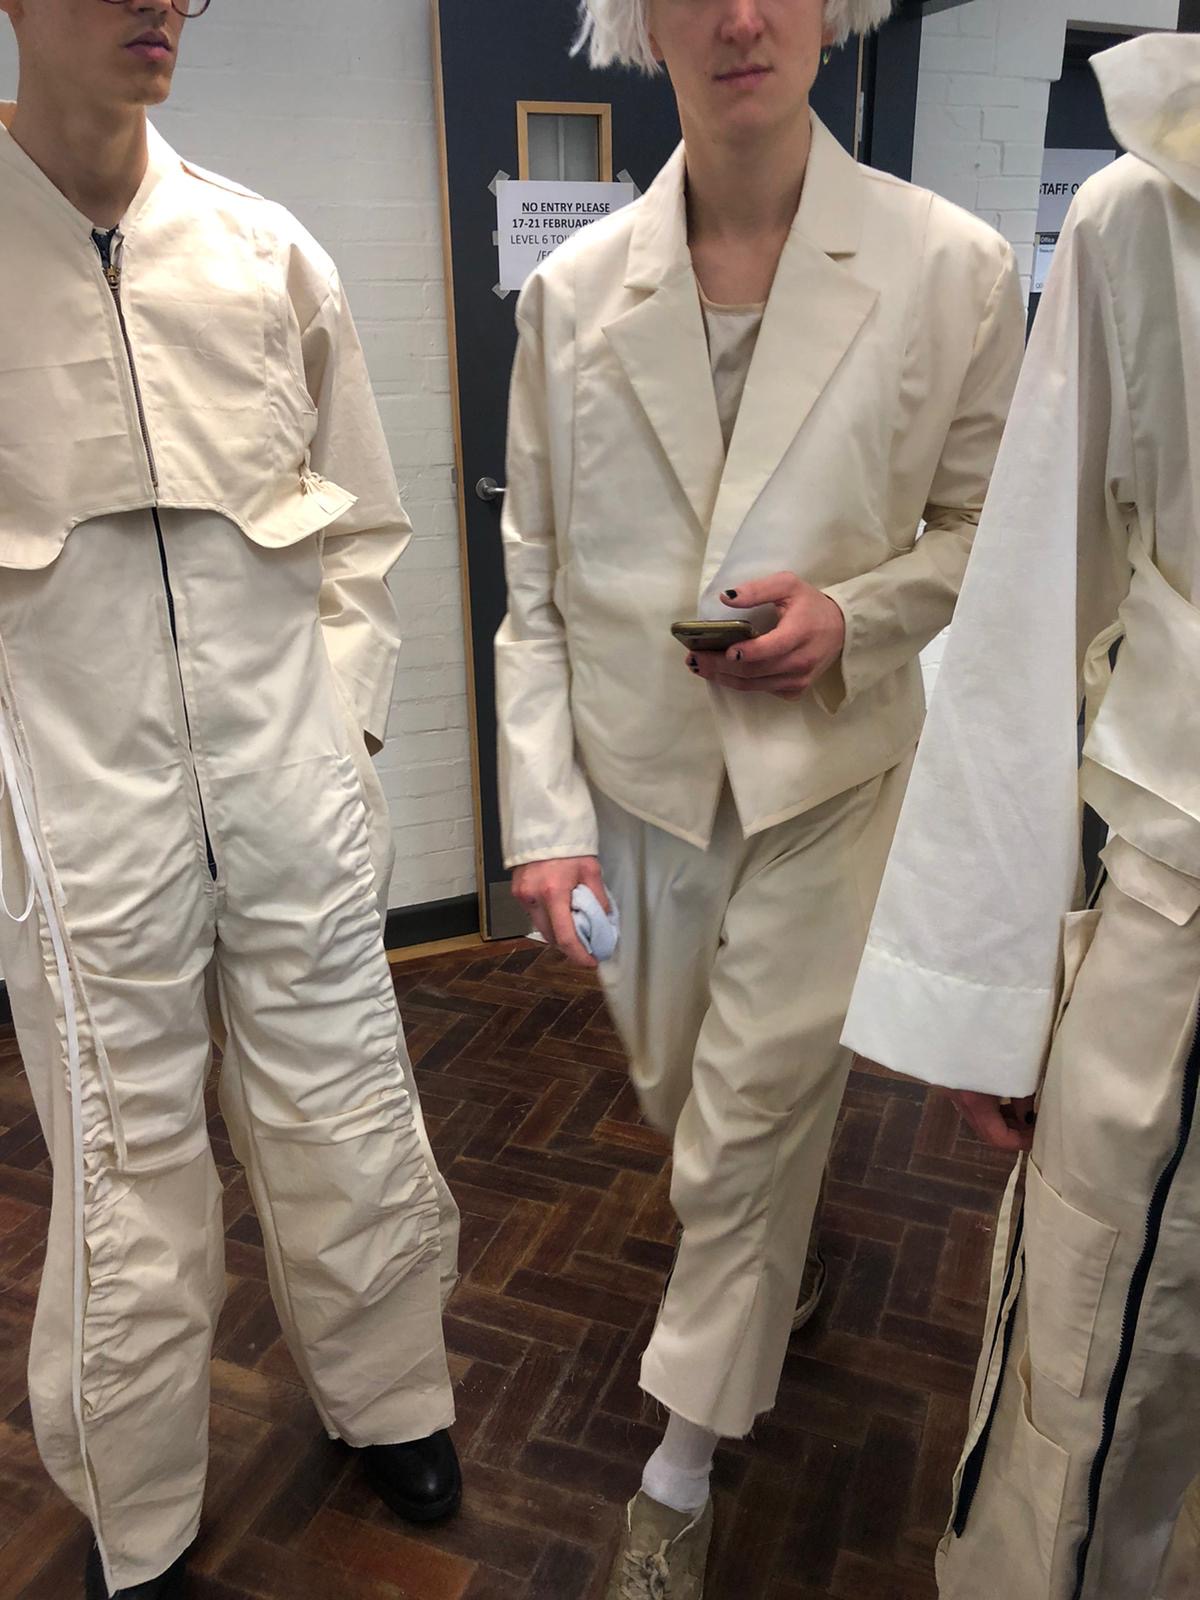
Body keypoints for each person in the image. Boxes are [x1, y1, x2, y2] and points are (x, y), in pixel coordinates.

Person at [494, 0, 1025, 1591]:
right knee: (688, 1110)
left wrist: (856, 615)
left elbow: (987, 531)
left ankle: (674, 1473)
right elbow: (534, 581)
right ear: (640, 23)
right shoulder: (576, 295)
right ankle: (765, 1259)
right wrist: (545, 819)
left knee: (741, 1134)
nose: (741, 16)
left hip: (830, 783)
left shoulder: (950, 269)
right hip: (640, 792)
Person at [0, 1, 463, 1595]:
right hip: (76, 820)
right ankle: (139, 1517)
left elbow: (364, 530)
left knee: (348, 1109)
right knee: (124, 1166)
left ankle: (394, 1398)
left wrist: (341, 734)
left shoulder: (270, 259)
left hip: (288, 795)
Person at [842, 31, 1200, 1600]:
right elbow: (1029, 603)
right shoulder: (1147, 209)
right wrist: (989, 999)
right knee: (1102, 1359)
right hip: (1180, 913)